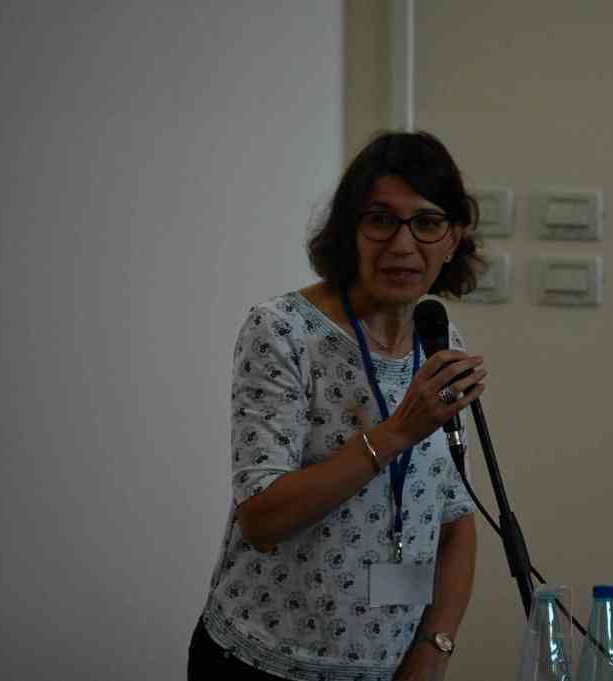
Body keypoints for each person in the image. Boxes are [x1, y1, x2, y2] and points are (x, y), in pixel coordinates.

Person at [189, 131, 486, 681]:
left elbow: (456, 519)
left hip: (390, 668)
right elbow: (262, 519)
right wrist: (397, 432)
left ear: (453, 239)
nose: (402, 245)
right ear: (349, 231)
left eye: (426, 222)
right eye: (380, 220)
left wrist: (433, 649)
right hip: (263, 663)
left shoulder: (440, 343)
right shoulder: (282, 331)